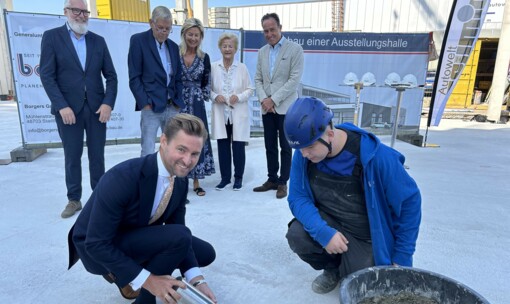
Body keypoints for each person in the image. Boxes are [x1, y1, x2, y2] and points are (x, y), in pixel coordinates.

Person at [68, 113, 217, 304]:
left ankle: (135, 272)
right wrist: (149, 281)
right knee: (177, 238)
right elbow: (95, 244)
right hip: (97, 247)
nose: (187, 161)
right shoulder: (122, 178)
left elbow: (181, 234)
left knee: (205, 252)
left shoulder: (179, 181)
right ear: (163, 141)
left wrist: (197, 281)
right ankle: (142, 296)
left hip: (135, 232)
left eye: (194, 154)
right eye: (181, 149)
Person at [284, 97, 422, 295]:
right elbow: (297, 198)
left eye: (309, 147)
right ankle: (332, 269)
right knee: (298, 235)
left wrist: (402, 256)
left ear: (330, 134)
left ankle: (352, 266)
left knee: (370, 290)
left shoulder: (376, 158)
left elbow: (410, 203)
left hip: (366, 238)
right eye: (300, 148)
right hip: (331, 224)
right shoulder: (305, 154)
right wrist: (323, 233)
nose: (304, 154)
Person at [39, 0, 118, 218]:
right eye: (77, 11)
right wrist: (61, 106)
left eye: (85, 12)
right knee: (72, 156)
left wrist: (107, 103)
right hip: (68, 111)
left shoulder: (98, 41)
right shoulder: (52, 37)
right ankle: (74, 199)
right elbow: (47, 75)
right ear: (66, 12)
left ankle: (99, 198)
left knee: (97, 156)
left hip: (96, 109)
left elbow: (111, 76)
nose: (81, 15)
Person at [253, 12, 304, 199]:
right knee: (269, 145)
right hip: (267, 108)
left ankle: (283, 182)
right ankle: (272, 179)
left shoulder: (295, 50)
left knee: (285, 146)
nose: (269, 34)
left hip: (285, 107)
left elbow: (293, 80)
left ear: (280, 28)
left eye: (272, 29)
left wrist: (273, 99)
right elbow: (258, 79)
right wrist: (264, 100)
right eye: (265, 31)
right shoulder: (261, 52)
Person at [128, 6, 183, 157]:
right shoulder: (138, 41)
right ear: (151, 23)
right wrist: (144, 103)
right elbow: (134, 77)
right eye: (160, 28)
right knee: (147, 150)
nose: (164, 32)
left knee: (172, 148)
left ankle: (169, 180)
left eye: (168, 29)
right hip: (150, 107)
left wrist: (178, 102)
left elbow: (178, 77)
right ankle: (148, 180)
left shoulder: (173, 47)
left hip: (171, 106)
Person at [210, 33, 254, 191]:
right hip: (221, 113)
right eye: (224, 46)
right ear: (220, 48)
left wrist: (239, 96)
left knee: (238, 147)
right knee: (222, 147)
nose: (227, 49)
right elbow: (207, 90)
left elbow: (250, 89)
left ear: (235, 49)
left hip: (237, 113)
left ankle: (238, 178)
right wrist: (216, 96)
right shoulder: (214, 67)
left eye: (230, 46)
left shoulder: (242, 67)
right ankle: (225, 178)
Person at [179, 18, 215, 197]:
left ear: (201, 37)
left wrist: (202, 95)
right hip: (178, 103)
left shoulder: (204, 57)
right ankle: (179, 180)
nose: (193, 38)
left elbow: (207, 81)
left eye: (197, 35)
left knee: (196, 139)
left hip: (197, 104)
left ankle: (196, 181)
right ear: (184, 34)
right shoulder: (174, 53)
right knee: (180, 140)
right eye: (190, 34)